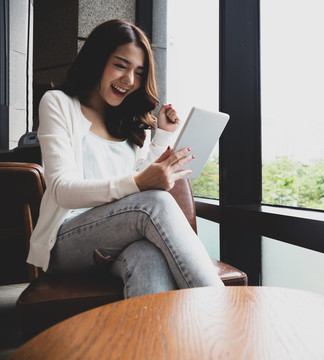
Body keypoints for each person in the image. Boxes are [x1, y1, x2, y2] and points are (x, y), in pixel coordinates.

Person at [27, 19, 224, 298]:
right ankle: (222, 314)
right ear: (97, 60)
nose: (130, 80)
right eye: (121, 65)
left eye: (139, 72)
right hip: (66, 240)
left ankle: (154, 342)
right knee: (154, 202)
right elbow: (62, 190)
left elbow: (139, 178)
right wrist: (139, 183)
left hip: (120, 234)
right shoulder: (57, 103)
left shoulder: (127, 119)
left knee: (147, 256)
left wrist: (164, 137)